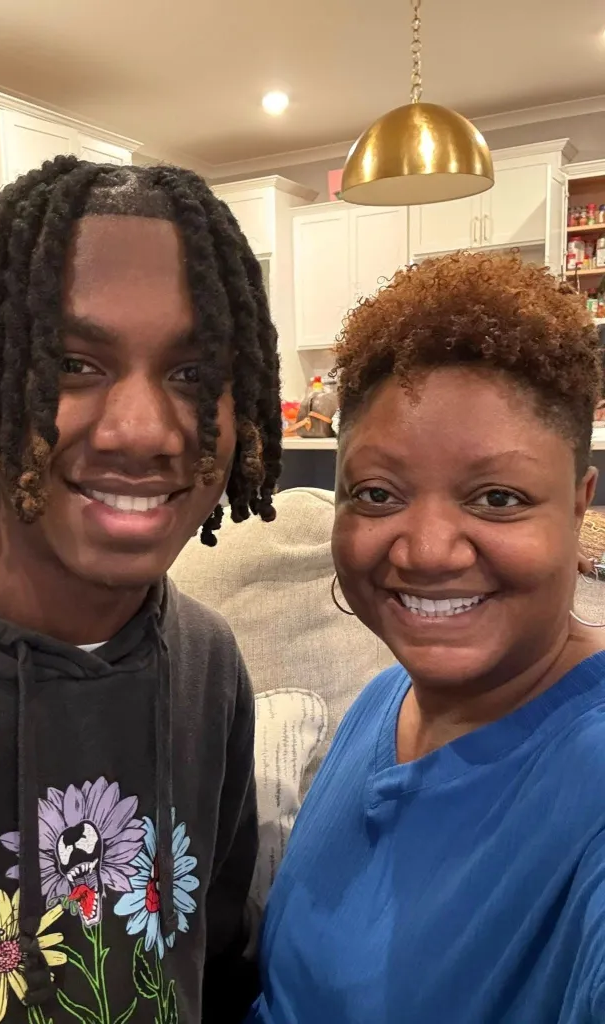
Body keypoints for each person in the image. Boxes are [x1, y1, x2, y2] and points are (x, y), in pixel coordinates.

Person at [0, 157, 281, 1023]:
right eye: (76, 364)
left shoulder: (205, 666)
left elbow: (217, 956)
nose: (143, 430)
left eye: (193, 374)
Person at [249, 252, 605, 1024]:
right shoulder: (384, 703)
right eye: (378, 494)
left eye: (498, 498)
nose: (427, 550)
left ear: (580, 505)